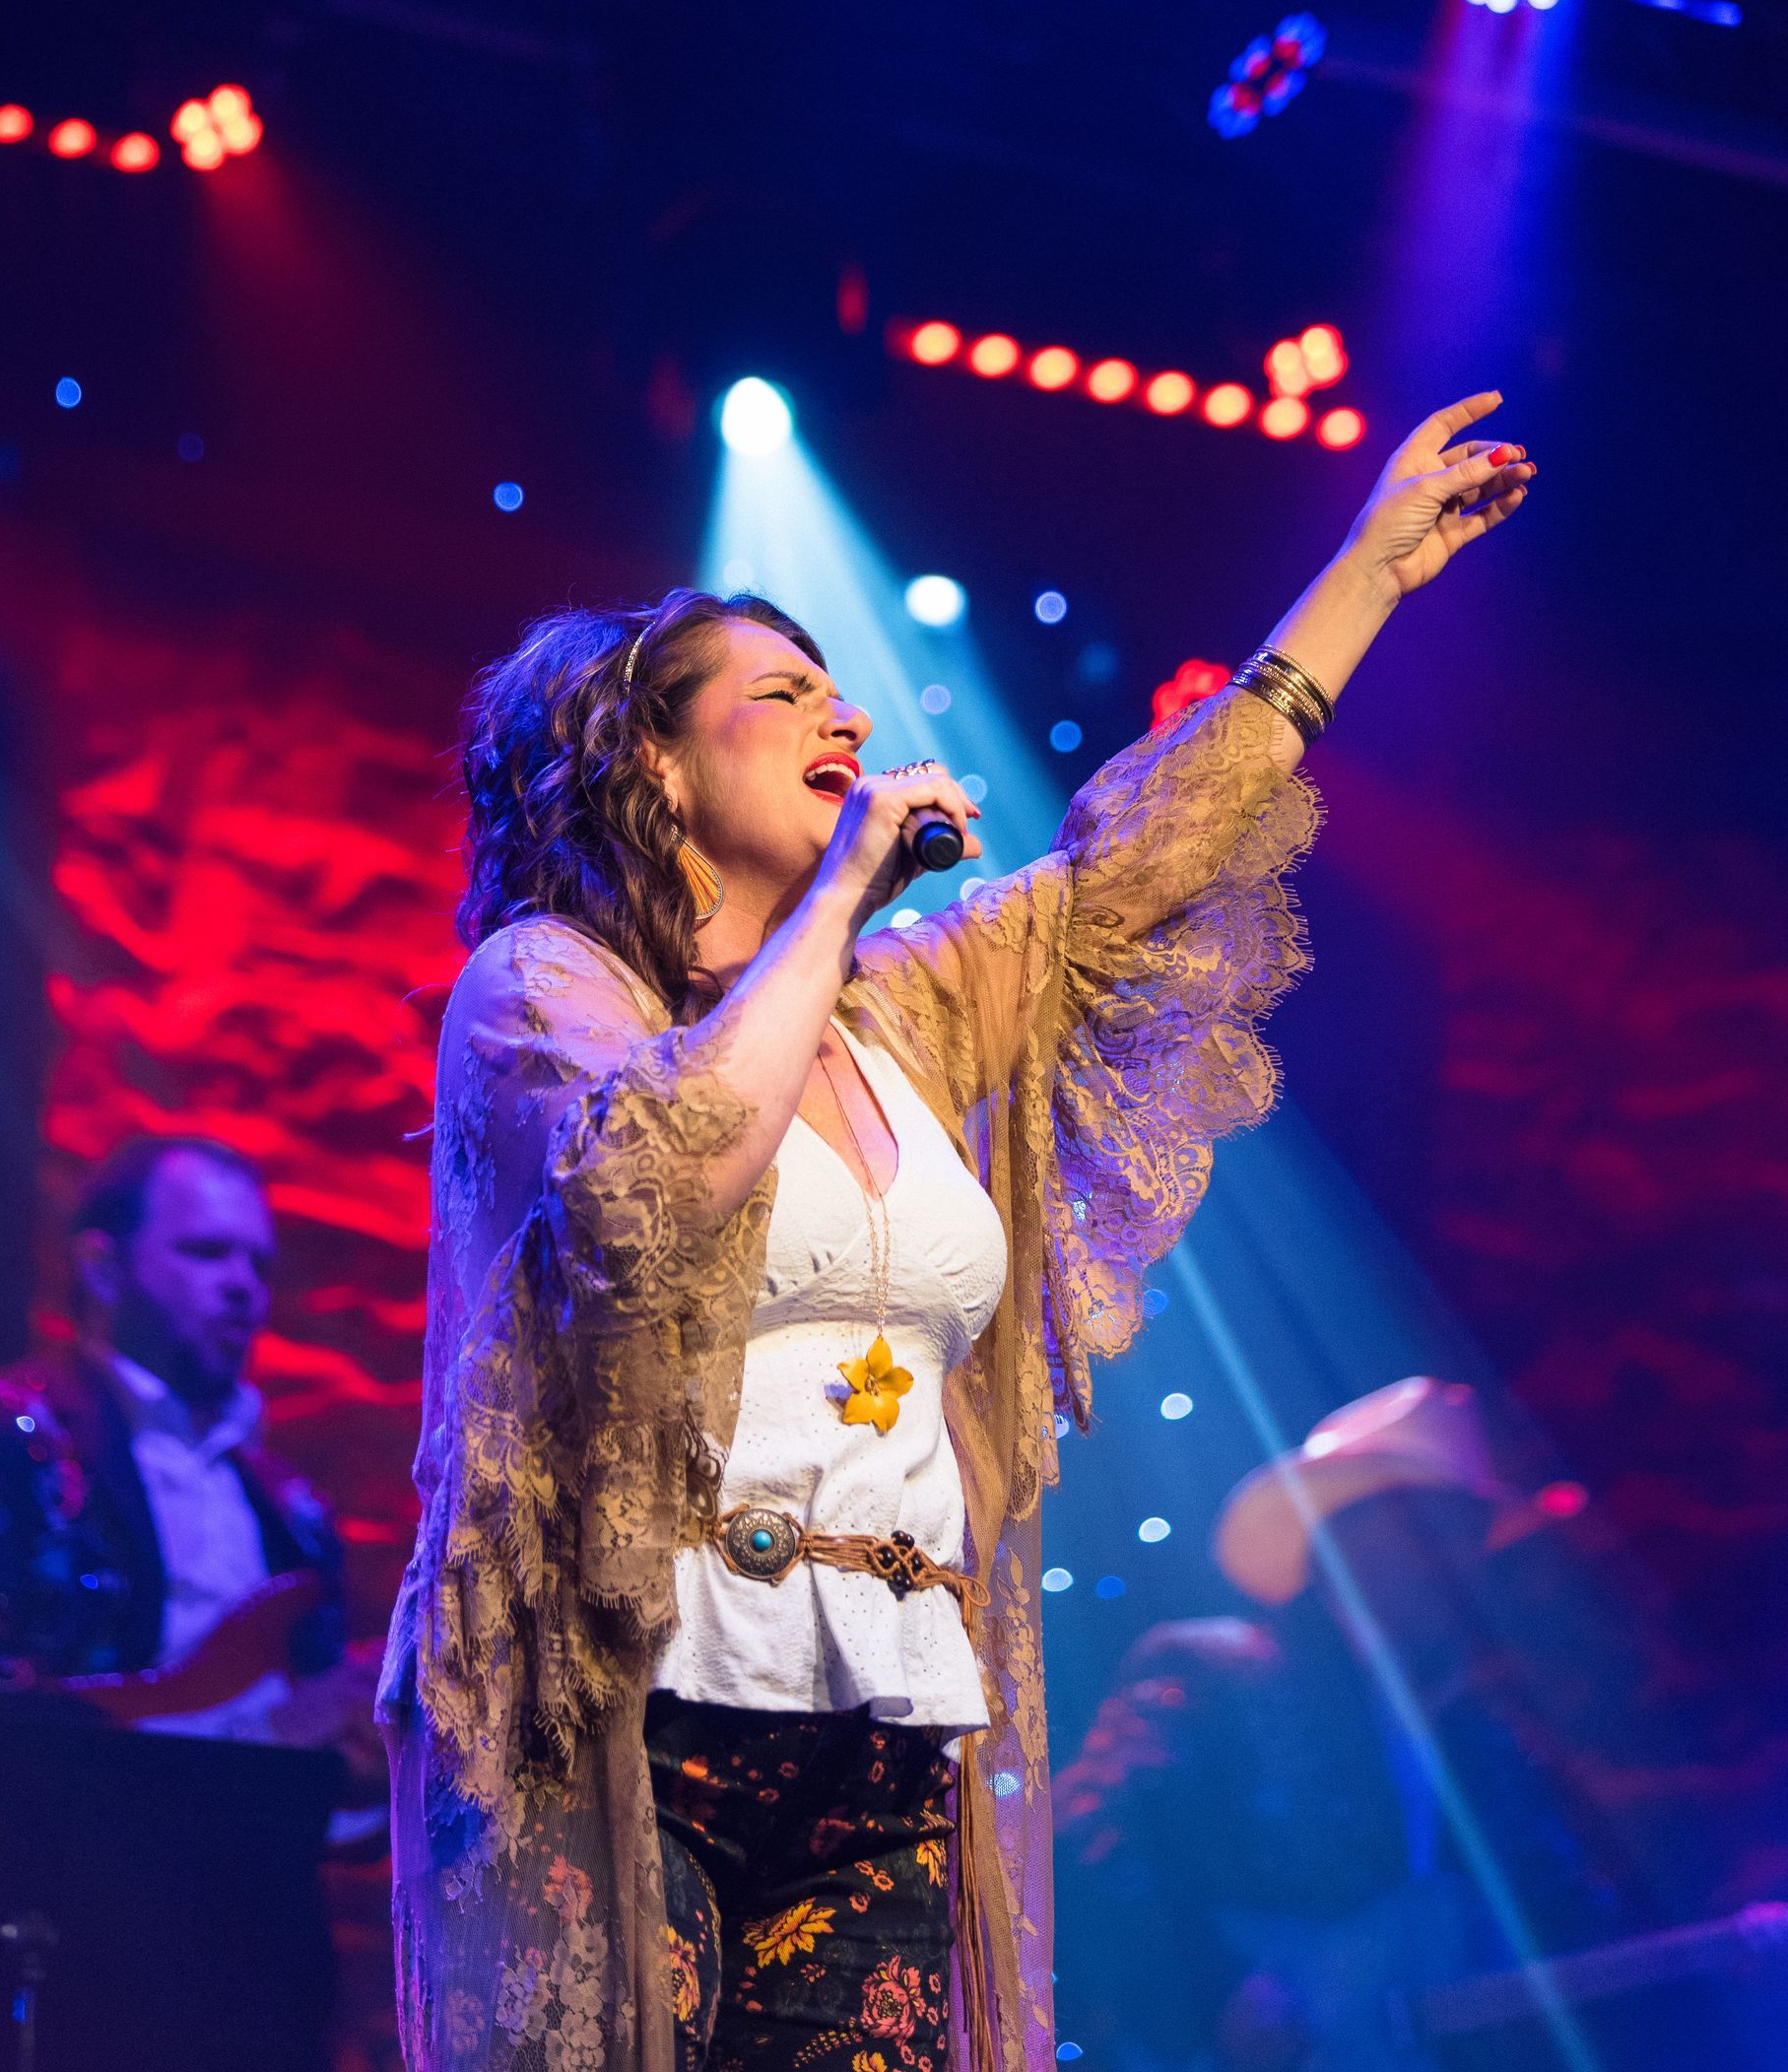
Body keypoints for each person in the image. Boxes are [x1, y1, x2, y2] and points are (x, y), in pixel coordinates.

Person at [376, 395, 1533, 2072]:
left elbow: (1131, 864)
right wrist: (843, 887)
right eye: (779, 698)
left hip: (886, 1714)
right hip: (637, 1706)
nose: (839, 714)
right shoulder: (549, 989)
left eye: (839, 690)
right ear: (650, 763)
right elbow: (655, 1183)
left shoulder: (903, 1021)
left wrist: (1364, 574)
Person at [1051, 1378, 1765, 2072]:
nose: (1460, 1559)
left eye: (1468, 1532)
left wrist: (1701, 1967)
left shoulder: (1473, 1728)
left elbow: (1561, 1911)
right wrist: (1217, 1998)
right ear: (1348, 1538)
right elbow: (1085, 1840)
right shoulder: (1213, 1669)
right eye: (1432, 1529)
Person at [0, 1134, 371, 1772]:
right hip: (48, 1858)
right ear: (103, 1269)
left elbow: (334, 1780)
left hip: (246, 1866)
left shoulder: (295, 1509)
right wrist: (245, 1744)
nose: (242, 1285)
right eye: (206, 1252)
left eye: (259, 1265)